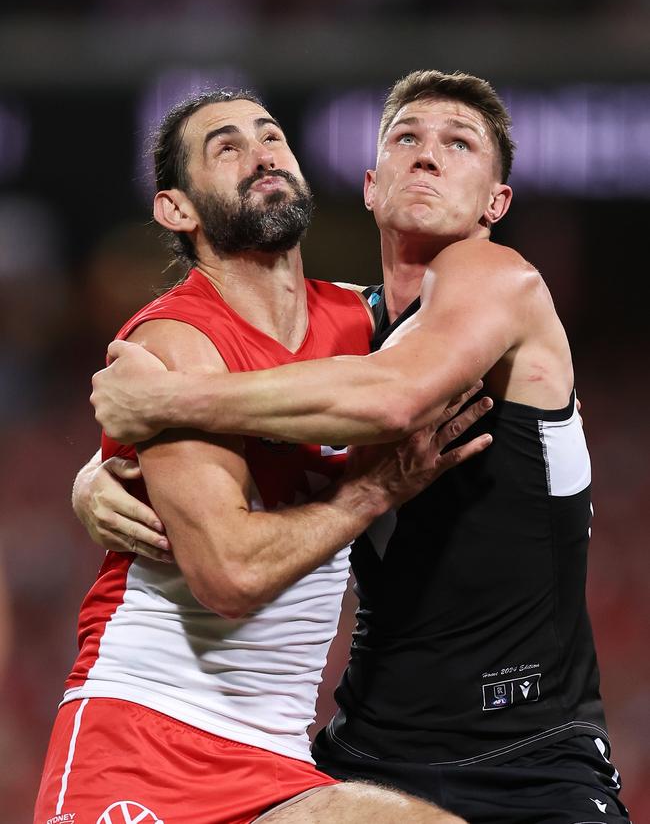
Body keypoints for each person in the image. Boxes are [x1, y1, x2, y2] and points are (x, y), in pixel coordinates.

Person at [84, 70, 631, 823]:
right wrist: (101, 471)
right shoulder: (348, 329)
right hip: (364, 758)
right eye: (407, 137)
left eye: (458, 143)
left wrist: (166, 402)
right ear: (371, 188)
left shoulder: (497, 278)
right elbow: (279, 368)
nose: (428, 155)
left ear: (496, 203)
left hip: (525, 758)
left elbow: (394, 395)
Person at [35, 89, 489, 824]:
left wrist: (89, 481)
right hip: (141, 740)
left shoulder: (366, 325)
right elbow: (230, 573)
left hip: (276, 760)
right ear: (176, 210)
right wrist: (370, 493)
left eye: (271, 135)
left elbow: (527, 402)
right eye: (226, 146)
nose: (261, 153)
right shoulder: (173, 343)